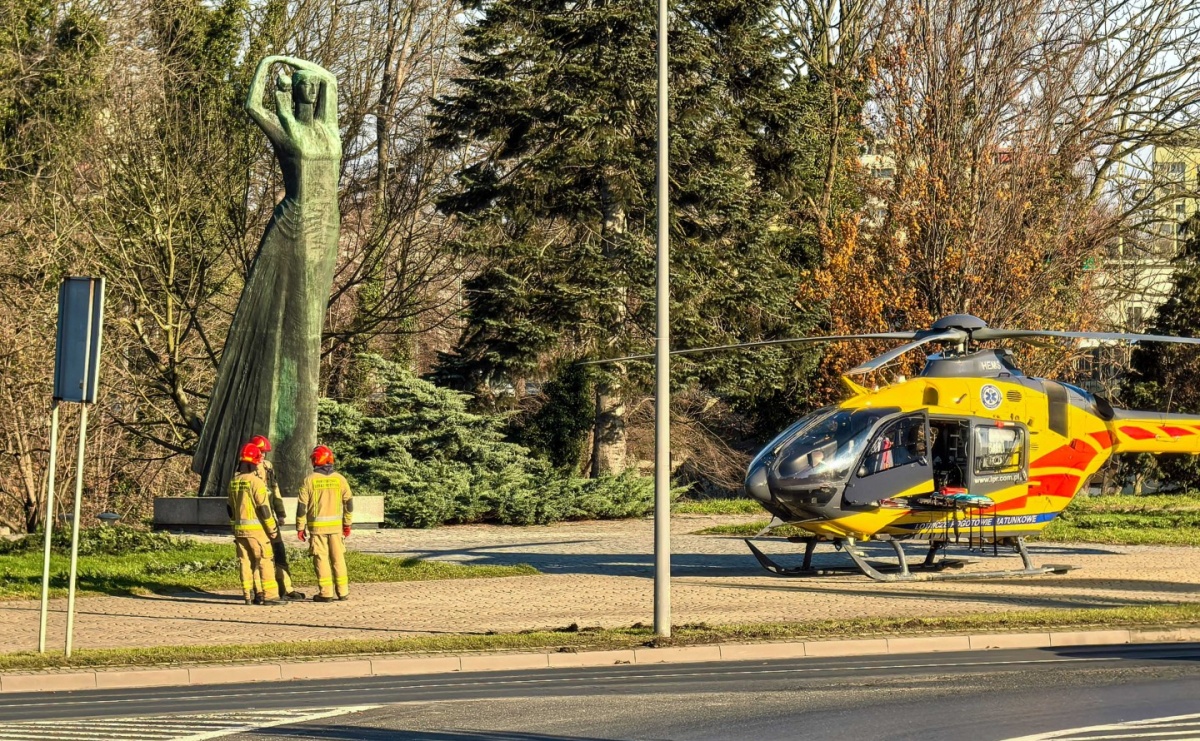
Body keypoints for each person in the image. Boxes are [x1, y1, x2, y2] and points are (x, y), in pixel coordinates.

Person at [248, 435, 305, 601]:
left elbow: (275, 490)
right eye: (260, 452)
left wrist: (280, 513)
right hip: (255, 521)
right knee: (258, 556)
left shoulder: (268, 467)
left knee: (279, 551)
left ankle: (286, 588)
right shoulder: (244, 472)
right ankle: (258, 591)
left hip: (269, 517)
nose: (263, 455)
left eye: (265, 452)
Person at [228, 443, 285, 605]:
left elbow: (229, 508)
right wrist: (272, 529)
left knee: (246, 562)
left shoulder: (234, 482)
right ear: (254, 462)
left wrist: (234, 527)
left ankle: (249, 595)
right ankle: (270, 596)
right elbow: (264, 509)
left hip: (240, 531)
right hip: (257, 531)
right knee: (265, 560)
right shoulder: (256, 482)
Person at [296, 445, 353, 602]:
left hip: (317, 529)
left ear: (315, 460)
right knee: (338, 558)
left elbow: (302, 507)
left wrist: (300, 527)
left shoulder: (309, 481)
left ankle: (326, 593)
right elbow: (349, 504)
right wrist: (347, 525)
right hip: (336, 529)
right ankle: (343, 592)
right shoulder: (340, 479)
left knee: (321, 559)